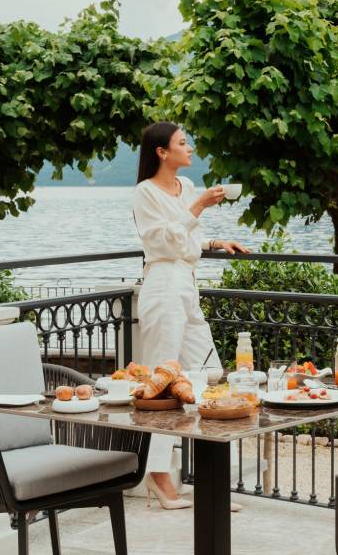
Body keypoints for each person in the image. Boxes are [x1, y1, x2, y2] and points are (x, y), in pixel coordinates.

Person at [133, 122, 249, 510]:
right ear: (162, 152)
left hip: (187, 282)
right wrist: (198, 208)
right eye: (183, 143)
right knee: (162, 385)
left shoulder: (186, 189)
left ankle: (207, 477)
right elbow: (160, 241)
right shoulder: (145, 193)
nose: (191, 147)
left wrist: (214, 241)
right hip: (163, 284)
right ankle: (159, 477)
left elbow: (184, 239)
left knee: (207, 374)